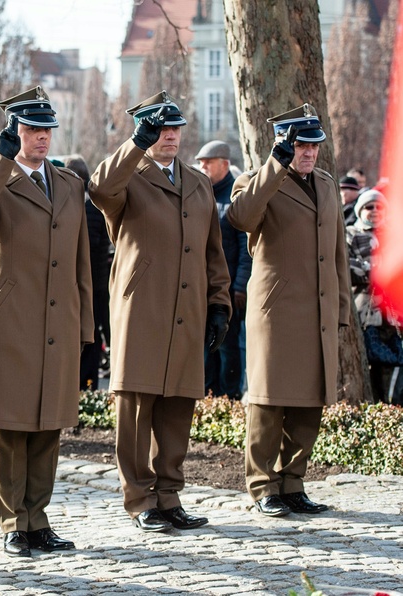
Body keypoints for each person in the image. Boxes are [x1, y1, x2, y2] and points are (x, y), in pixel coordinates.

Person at [0, 86, 94, 557]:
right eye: (32, 129)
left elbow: (81, 262)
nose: (41, 138)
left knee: (48, 425)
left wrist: (85, 326)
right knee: (11, 428)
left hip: (58, 319)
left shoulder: (69, 184)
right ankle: (13, 521)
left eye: (46, 130)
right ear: (13, 131)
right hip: (11, 319)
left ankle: (38, 518)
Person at [89, 91, 231, 533]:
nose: (169, 135)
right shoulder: (129, 175)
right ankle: (139, 498)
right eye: (160, 129)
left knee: (177, 405)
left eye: (174, 128)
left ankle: (168, 495)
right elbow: (99, 188)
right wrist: (134, 145)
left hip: (187, 309)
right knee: (136, 405)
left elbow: (213, 251)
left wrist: (219, 302)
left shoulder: (198, 181)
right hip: (142, 307)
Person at [228, 103, 350, 518]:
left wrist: (341, 312)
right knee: (268, 401)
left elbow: (338, 254)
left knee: (309, 402)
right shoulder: (255, 181)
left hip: (317, 312)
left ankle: (293, 482)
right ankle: (263, 486)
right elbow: (241, 217)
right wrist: (274, 167)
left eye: (315, 145)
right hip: (276, 311)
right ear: (283, 145)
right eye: (301, 146)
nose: (309, 153)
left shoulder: (328, 185)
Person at [196, 140, 251, 399]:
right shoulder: (201, 193)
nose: (202, 166)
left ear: (225, 164)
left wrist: (240, 286)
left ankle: (230, 397)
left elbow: (245, 247)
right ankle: (210, 395)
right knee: (206, 346)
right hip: (203, 288)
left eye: (208, 162)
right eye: (200, 162)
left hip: (229, 289)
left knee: (229, 347)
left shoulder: (235, 196)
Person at [346, 190, 401, 404]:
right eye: (370, 207)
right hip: (364, 316)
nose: (375, 211)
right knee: (367, 371)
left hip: (394, 319)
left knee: (392, 372)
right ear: (360, 210)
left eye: (379, 207)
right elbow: (347, 267)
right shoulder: (350, 234)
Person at [65, 155, 110, 391]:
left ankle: (86, 384)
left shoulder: (85, 207)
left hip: (88, 282)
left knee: (88, 334)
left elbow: (88, 248)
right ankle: (87, 383)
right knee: (92, 332)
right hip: (97, 282)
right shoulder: (93, 204)